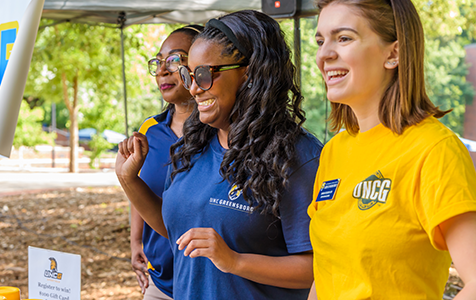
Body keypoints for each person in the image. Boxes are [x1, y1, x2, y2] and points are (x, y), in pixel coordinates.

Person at [116, 10, 322, 300]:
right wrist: (129, 180)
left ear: (249, 73)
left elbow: (318, 267)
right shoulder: (192, 145)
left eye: (204, 74)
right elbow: (179, 232)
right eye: (189, 75)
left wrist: (235, 261)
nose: (194, 88)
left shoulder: (297, 156)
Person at [308, 0, 476, 299]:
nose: (324, 54)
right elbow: (326, 274)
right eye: (321, 41)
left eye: (343, 38)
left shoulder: (434, 150)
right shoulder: (334, 151)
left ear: (394, 53)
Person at [120, 25, 203, 300]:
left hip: (210, 280)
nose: (162, 71)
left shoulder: (222, 131)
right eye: (158, 61)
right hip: (161, 282)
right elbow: (140, 189)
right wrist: (135, 242)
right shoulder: (149, 130)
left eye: (175, 59)